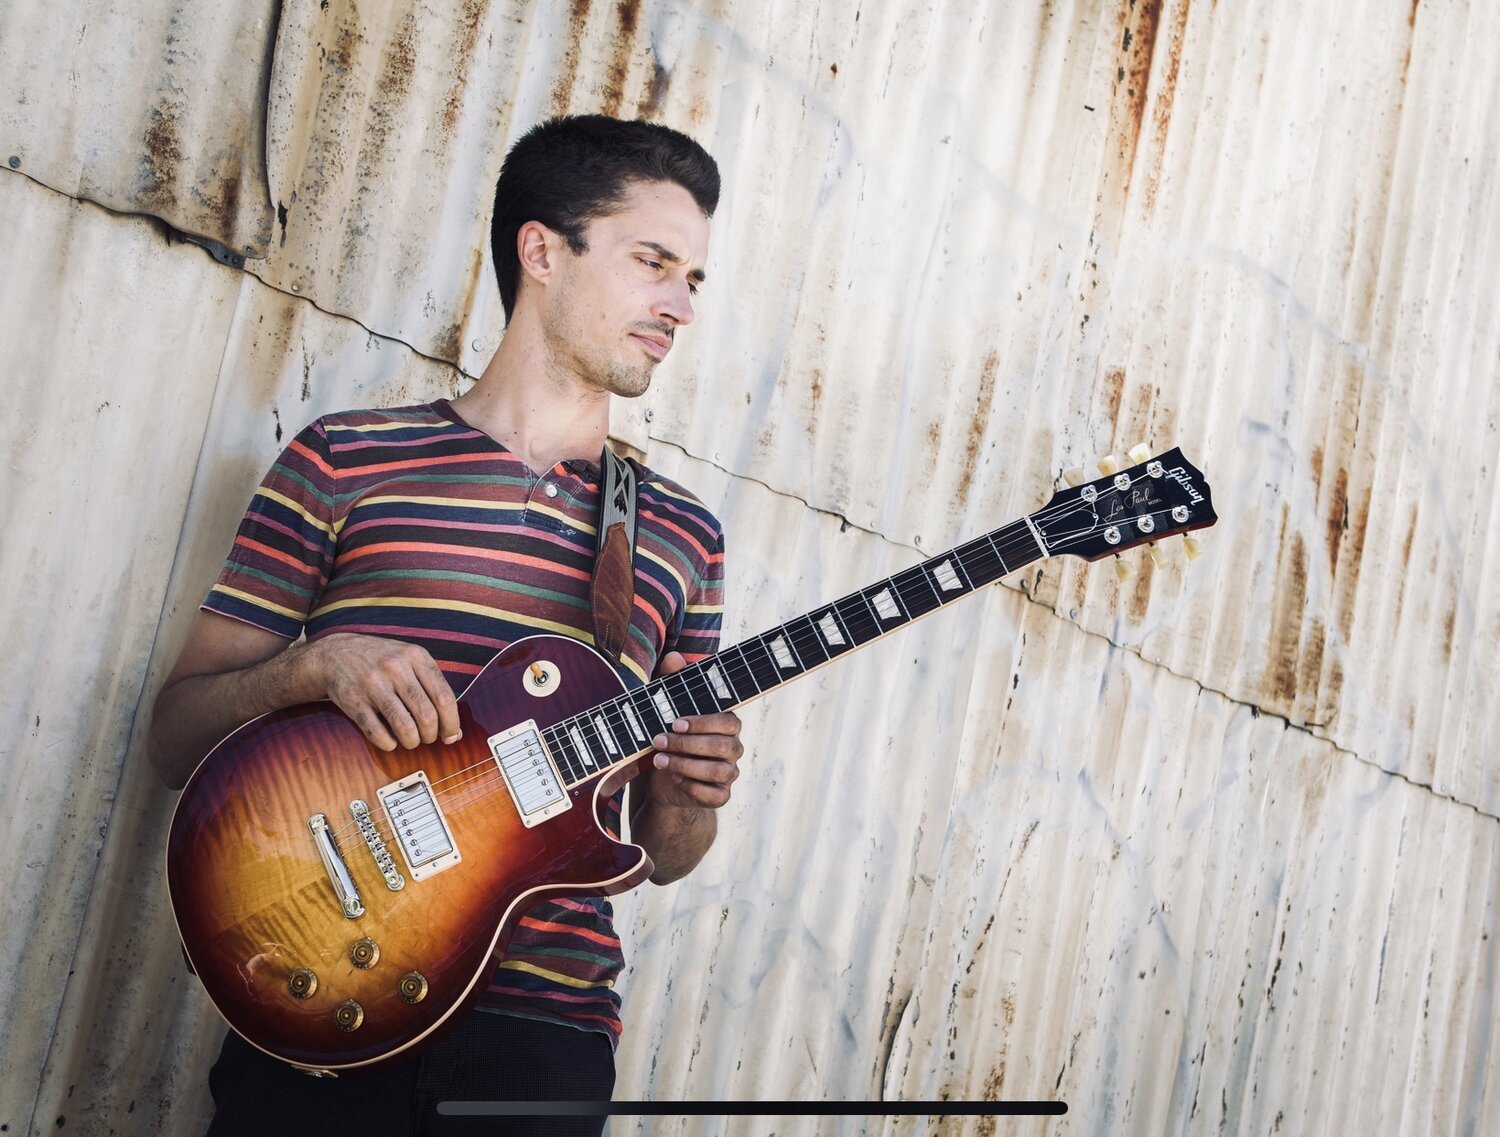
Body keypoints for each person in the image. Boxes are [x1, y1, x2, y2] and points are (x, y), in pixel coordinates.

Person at [149, 115, 744, 1136]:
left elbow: (661, 848)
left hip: (540, 1038)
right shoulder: (345, 461)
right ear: (543, 251)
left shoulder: (683, 537)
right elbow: (173, 740)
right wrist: (310, 669)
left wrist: (690, 792)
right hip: (325, 992)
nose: (681, 306)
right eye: (654, 263)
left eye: (693, 279)